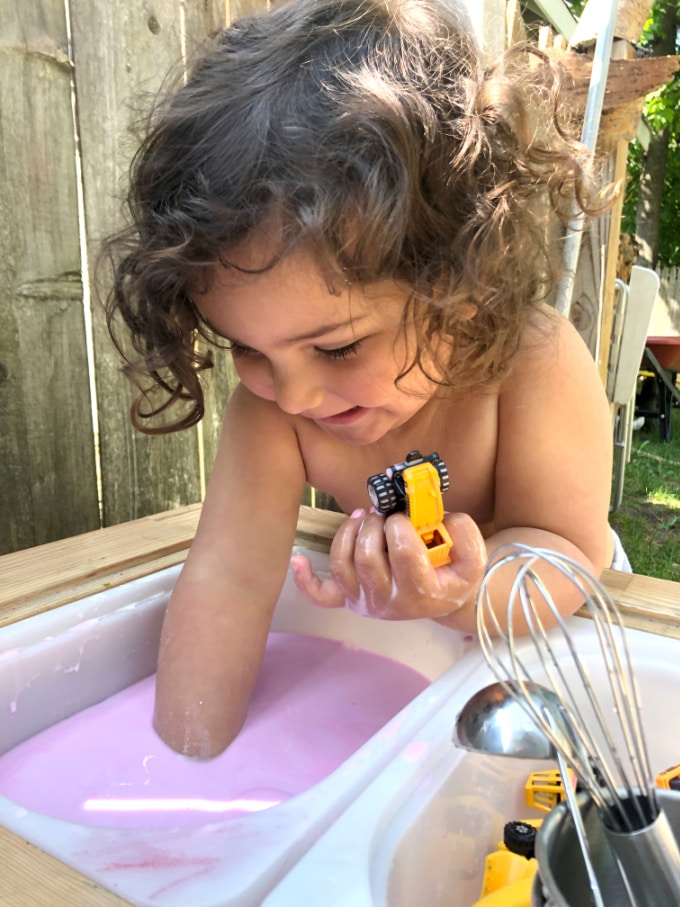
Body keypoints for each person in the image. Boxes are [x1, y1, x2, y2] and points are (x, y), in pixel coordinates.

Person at [103, 0, 621, 758]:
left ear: (460, 280)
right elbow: (229, 581)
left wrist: (462, 594)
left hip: (563, 634)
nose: (298, 396)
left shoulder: (532, 364)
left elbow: (567, 548)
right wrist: (183, 762)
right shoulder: (271, 409)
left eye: (338, 348)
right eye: (249, 349)